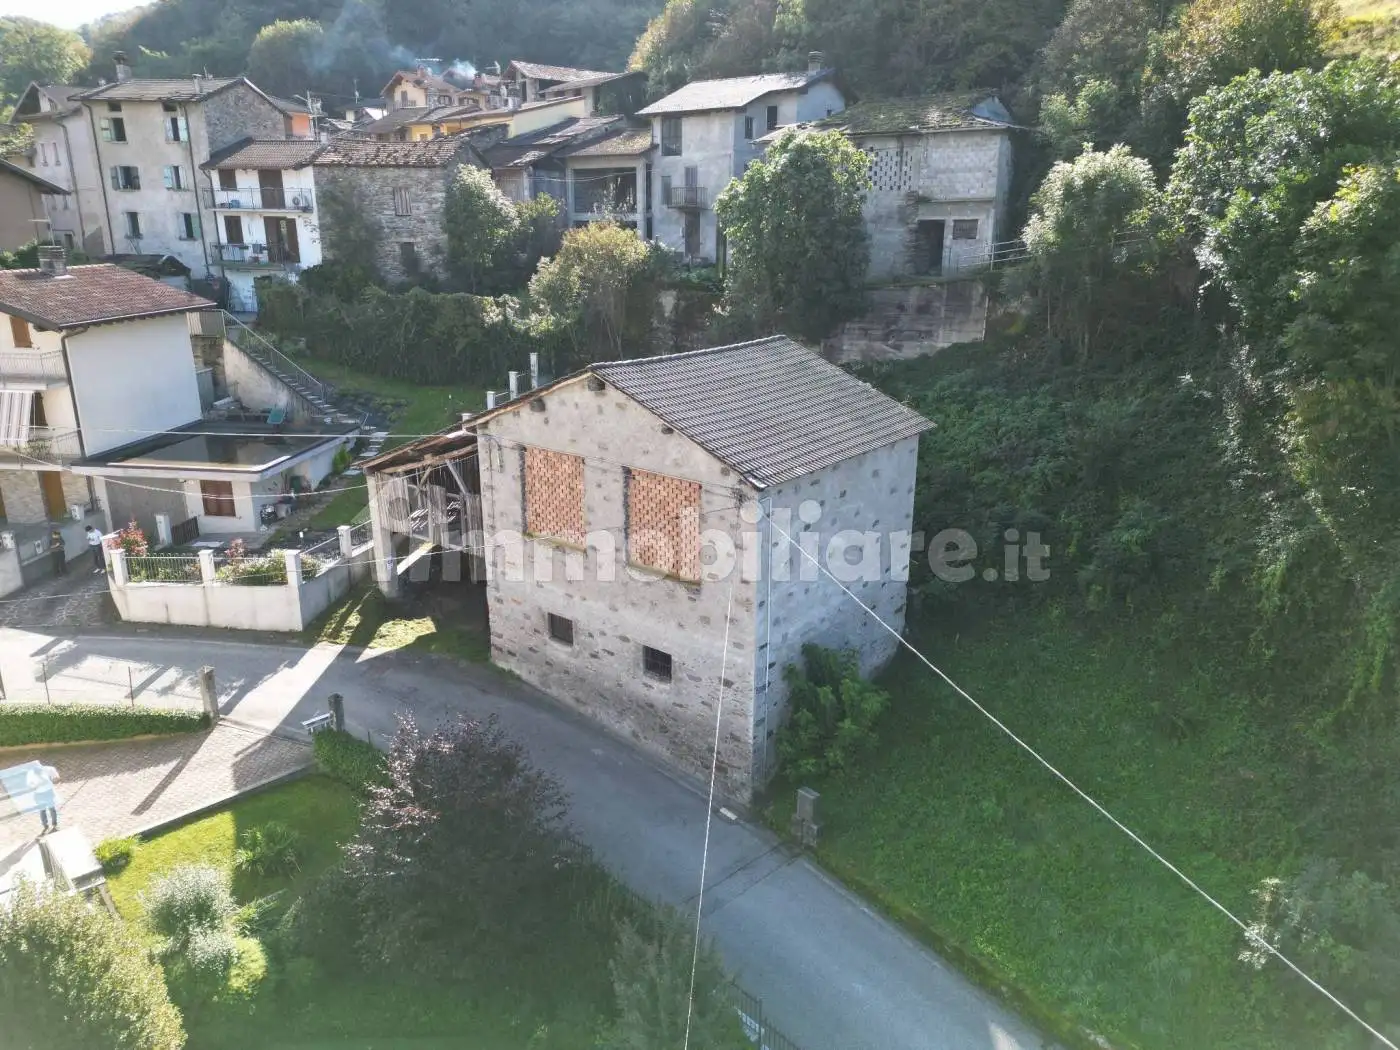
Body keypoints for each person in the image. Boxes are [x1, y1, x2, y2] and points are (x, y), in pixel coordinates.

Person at [30, 763, 59, 833]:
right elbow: (32, 786)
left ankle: (54, 824)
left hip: (48, 792)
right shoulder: (31, 773)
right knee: (42, 810)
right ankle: (45, 826)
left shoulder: (48, 770)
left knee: (52, 809)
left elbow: (56, 779)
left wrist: (48, 781)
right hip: (39, 794)